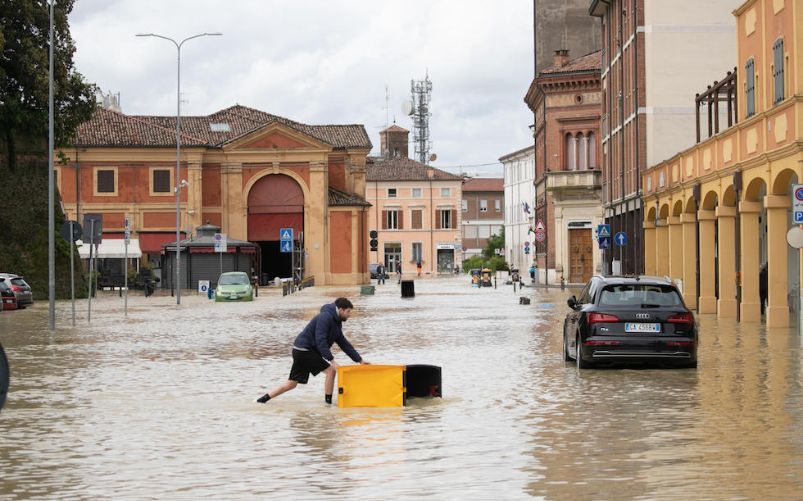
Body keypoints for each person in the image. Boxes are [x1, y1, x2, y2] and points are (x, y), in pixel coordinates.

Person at [256, 297, 369, 404]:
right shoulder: (325, 317)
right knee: (331, 371)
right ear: (341, 309)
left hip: (301, 350)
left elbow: (344, 344)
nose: (349, 315)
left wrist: (359, 360)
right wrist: (332, 361)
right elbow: (321, 341)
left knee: (291, 383)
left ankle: (262, 400)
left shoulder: (336, 322)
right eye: (348, 312)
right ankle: (328, 405)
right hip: (304, 350)